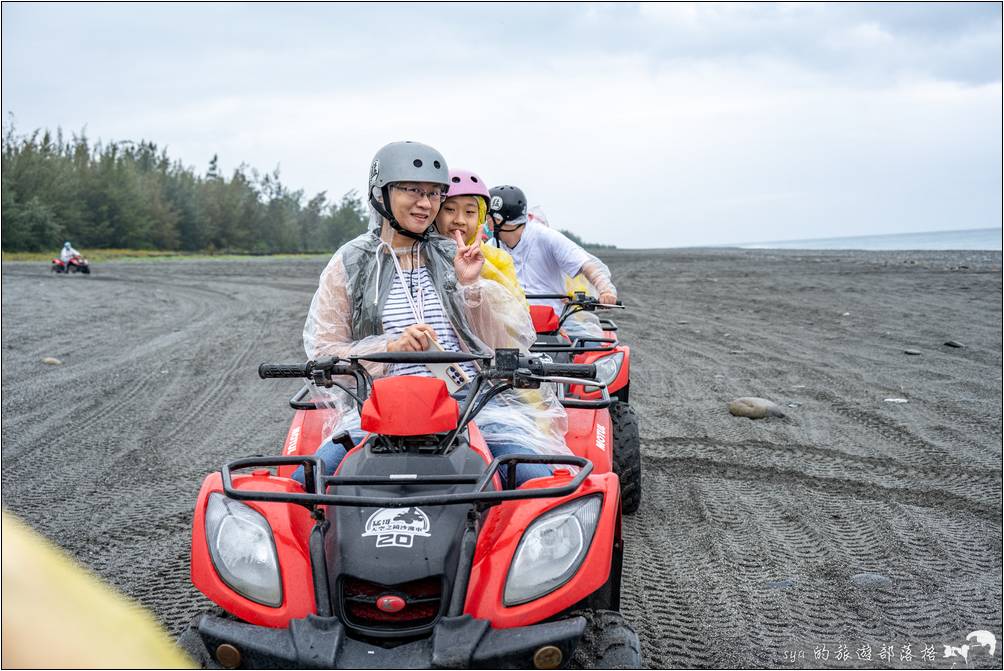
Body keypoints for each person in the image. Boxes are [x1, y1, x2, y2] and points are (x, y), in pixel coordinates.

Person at [293, 142, 569, 488]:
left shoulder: (456, 256)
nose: (426, 204)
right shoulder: (349, 263)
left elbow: (503, 344)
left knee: (536, 483)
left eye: (434, 194)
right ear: (382, 193)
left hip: (469, 408)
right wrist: (390, 348)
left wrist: (471, 289)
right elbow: (324, 352)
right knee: (305, 482)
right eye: (413, 190)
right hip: (379, 413)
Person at [488, 185, 618, 335]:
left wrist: (605, 290)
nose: (485, 221)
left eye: (487, 216)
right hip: (511, 324)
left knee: (591, 345)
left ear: (498, 219)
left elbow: (585, 264)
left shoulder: (545, 237)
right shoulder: (491, 248)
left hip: (556, 321)